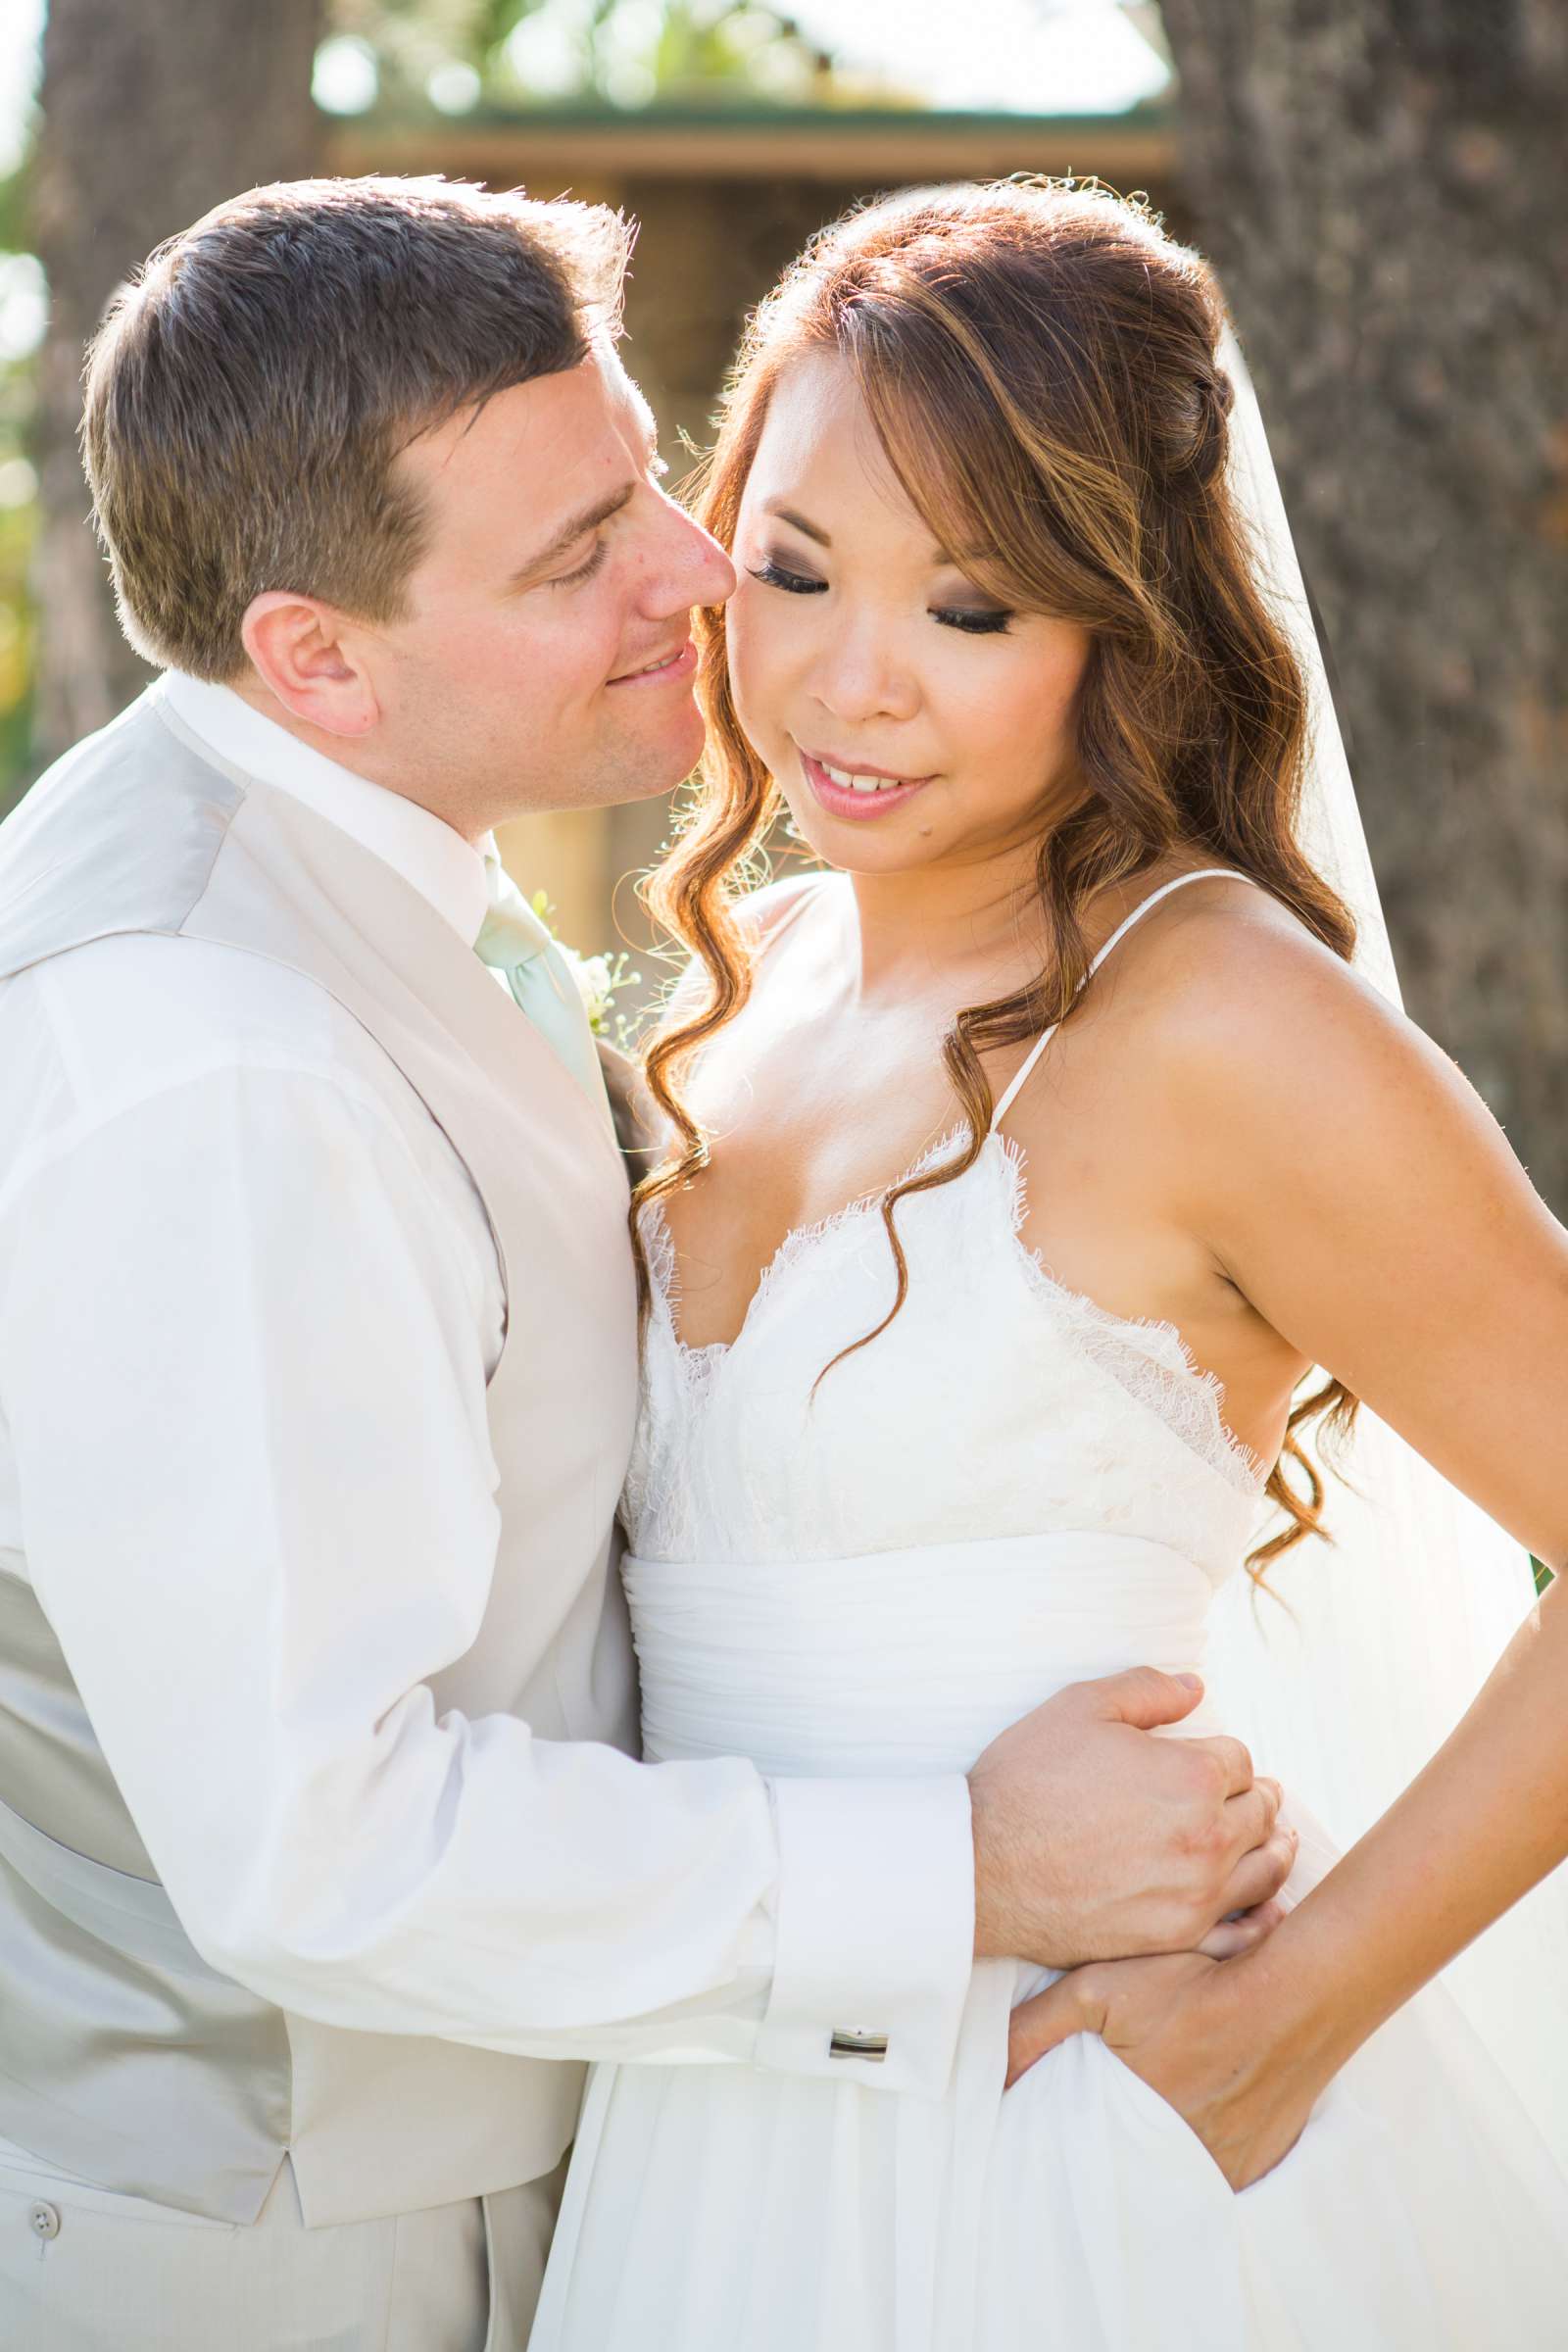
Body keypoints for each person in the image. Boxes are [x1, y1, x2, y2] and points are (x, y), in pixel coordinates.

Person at [0, 176, 1296, 2350]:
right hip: (289, 2254)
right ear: (314, 655)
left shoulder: (356, 857)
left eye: (637, 485)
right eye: (572, 555)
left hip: (663, 2161)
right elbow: (325, 1844)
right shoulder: (207, 1057)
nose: (691, 577)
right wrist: (968, 1872)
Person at [525, 179, 1568, 2349]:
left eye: (972, 609)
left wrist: (1280, 2019)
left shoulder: (1217, 1026)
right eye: (791, 571)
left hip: (1072, 2169)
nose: (845, 678)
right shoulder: (755, 985)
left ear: (1124, 621)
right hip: (707, 2124)